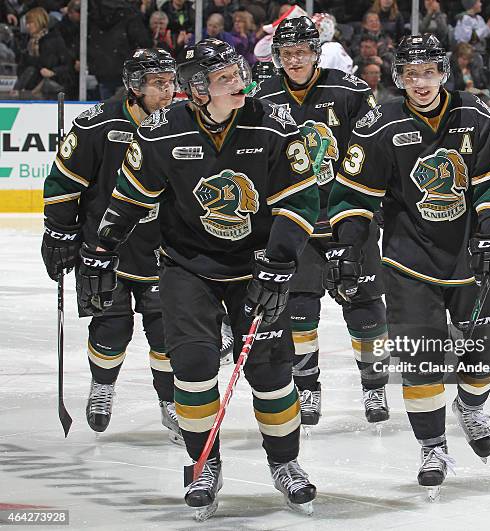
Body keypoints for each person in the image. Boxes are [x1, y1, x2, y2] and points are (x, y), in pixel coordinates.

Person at [77, 39, 319, 518]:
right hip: (189, 268)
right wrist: (102, 249)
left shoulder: (273, 123)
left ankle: (286, 464)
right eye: (226, 78)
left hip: (256, 267)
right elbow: (130, 195)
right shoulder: (163, 129)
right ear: (197, 89)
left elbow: (301, 200)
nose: (241, 84)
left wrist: (279, 262)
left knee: (271, 374)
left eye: (240, 73)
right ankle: (202, 463)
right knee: (191, 369)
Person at [326, 34, 490, 498]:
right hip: (408, 261)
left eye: (428, 70)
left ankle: (471, 405)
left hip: (470, 256)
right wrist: (348, 247)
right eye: (410, 73)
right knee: (420, 358)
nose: (420, 81)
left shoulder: (474, 113)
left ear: (443, 71)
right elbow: (354, 193)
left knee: (485, 353)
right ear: (398, 77)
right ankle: (432, 447)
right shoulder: (380, 122)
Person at [41, 49, 183, 443]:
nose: (168, 91)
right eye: (158, 84)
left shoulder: (182, 124)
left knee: (167, 332)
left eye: (171, 82)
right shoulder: (97, 124)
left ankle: (170, 402)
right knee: (112, 327)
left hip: (162, 249)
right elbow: (63, 182)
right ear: (134, 87)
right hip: (105, 249)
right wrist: (58, 231)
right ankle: (103, 384)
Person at [256, 16, 390, 428]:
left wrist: (372, 209)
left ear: (317, 52)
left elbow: (373, 149)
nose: (293, 60)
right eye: (286, 53)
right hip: (295, 222)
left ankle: (374, 383)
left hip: (347, 218)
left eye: (301, 52)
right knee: (298, 308)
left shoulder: (348, 91)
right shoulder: (262, 95)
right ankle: (307, 387)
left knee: (364, 306)